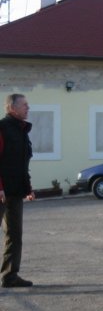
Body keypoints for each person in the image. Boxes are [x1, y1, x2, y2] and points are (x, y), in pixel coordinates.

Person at [0, 94, 35, 288]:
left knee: (14, 235)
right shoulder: (2, 128)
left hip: (15, 192)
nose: (28, 108)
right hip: (1, 191)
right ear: (12, 108)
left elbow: (22, 163)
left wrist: (28, 188)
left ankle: (10, 276)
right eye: (24, 105)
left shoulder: (21, 131)